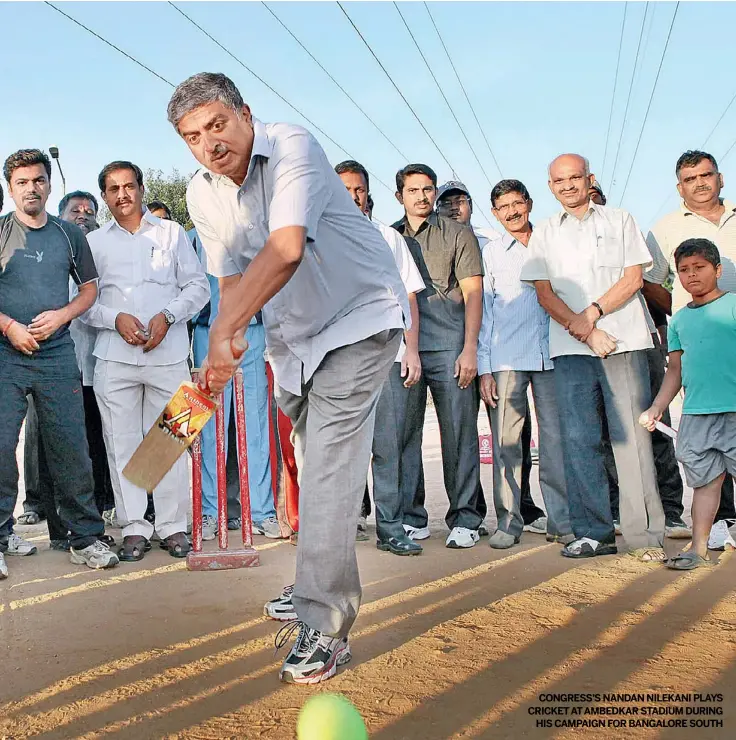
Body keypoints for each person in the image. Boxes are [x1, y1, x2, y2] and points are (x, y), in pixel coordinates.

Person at [169, 72, 408, 684]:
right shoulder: (202, 193)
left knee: (328, 466)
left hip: (359, 318)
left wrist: (225, 330)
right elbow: (228, 279)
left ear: (245, 114)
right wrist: (226, 341)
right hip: (293, 340)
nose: (208, 145)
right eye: (192, 137)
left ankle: (324, 624)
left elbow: (286, 248)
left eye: (217, 126)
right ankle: (310, 582)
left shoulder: (292, 145)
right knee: (309, 456)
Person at [520, 153, 666, 562]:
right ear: (550, 186)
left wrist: (593, 316)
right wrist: (584, 329)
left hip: (625, 342)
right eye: (559, 180)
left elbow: (633, 278)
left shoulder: (620, 220)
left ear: (589, 179)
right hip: (571, 349)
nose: (568, 186)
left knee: (633, 440)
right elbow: (545, 293)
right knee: (580, 440)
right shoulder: (545, 232)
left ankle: (644, 535)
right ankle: (592, 533)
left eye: (574, 178)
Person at [0, 148, 119, 579]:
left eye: (38, 180)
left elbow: (89, 289)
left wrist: (62, 315)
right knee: (0, 446)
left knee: (71, 446)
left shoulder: (70, 234)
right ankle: (0, 535)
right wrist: (10, 326)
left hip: (56, 356)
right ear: (9, 188)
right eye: (22, 182)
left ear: (49, 184)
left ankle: (84, 536)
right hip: (5, 354)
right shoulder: (0, 232)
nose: (31, 189)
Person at [82, 160, 209, 562]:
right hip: (114, 357)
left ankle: (173, 526)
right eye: (113, 188)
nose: (123, 194)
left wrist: (168, 316)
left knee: (172, 440)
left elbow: (198, 287)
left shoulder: (171, 233)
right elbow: (83, 303)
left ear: (140, 187)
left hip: (168, 353)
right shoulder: (95, 243)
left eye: (129, 186)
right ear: (105, 196)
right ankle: (134, 526)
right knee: (122, 444)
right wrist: (113, 318)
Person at [437, 179, 547, 536]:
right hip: (454, 354)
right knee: (463, 435)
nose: (454, 208)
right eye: (447, 203)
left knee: (514, 434)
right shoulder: (431, 241)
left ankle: (524, 508)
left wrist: (480, 356)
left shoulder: (488, 244)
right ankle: (472, 514)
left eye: (461, 201)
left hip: (494, 352)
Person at [646, 150, 736, 549]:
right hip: (700, 387)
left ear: (719, 178)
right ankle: (713, 532)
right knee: (706, 468)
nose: (699, 183)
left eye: (706, 175)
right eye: (689, 178)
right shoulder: (665, 228)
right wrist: (685, 311)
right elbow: (650, 281)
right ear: (678, 186)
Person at [589, 182, 690, 539]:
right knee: (607, 431)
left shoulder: (626, 235)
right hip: (590, 345)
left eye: (594, 196)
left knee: (652, 424)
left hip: (641, 340)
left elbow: (653, 290)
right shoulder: (570, 250)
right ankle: (619, 509)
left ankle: (671, 510)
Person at [392, 165, 485, 549]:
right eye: (413, 190)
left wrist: (469, 347)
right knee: (404, 435)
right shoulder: (389, 236)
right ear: (400, 195)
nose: (422, 197)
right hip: (403, 348)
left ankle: (465, 518)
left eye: (428, 189)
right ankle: (412, 518)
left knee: (460, 434)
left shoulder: (458, 234)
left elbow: (473, 293)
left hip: (450, 344)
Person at [335, 159, 425, 555]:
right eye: (344, 189)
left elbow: (408, 296)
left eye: (358, 189)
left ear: (367, 193)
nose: (352, 196)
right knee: (342, 446)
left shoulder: (388, 238)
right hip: (338, 359)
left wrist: (413, 350)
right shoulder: (318, 237)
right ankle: (340, 527)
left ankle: (391, 527)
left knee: (387, 445)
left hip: (386, 356)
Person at [478, 179, 573, 548]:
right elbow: (486, 310)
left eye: (518, 203)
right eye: (504, 207)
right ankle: (508, 522)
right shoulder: (491, 253)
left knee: (555, 442)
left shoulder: (551, 242)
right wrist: (485, 366)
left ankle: (561, 520)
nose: (512, 212)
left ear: (530, 203)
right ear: (496, 213)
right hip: (507, 358)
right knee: (507, 444)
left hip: (554, 354)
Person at [190, 229, 280, 541]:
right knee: (207, 428)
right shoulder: (192, 236)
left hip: (252, 333)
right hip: (207, 334)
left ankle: (260, 512)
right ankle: (210, 512)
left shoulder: (257, 233)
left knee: (254, 426)